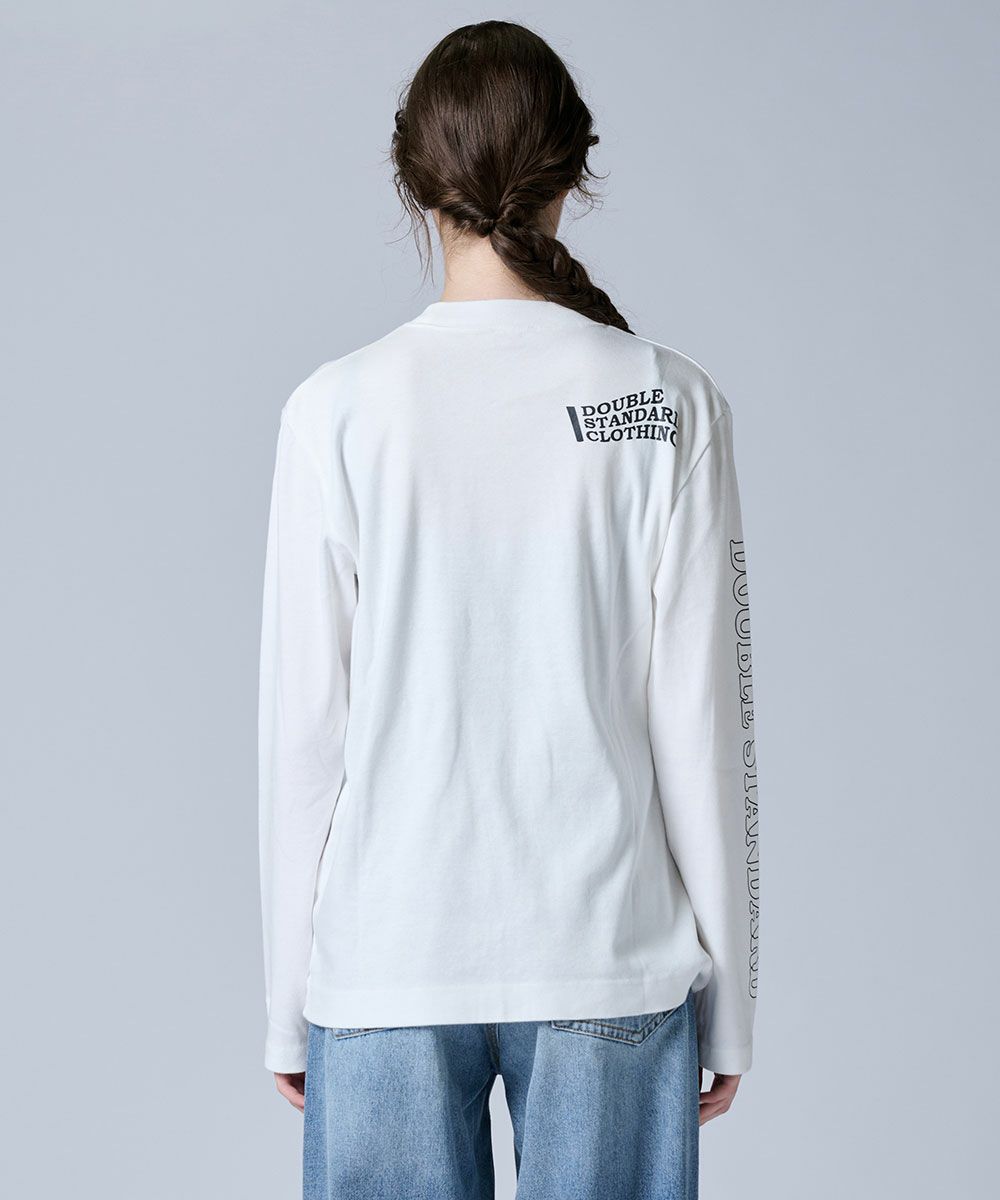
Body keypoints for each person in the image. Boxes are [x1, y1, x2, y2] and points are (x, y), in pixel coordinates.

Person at [258, 19, 761, 1200]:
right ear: (571, 173)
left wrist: (289, 1002)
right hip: (609, 955)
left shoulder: (335, 412)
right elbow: (702, 728)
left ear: (412, 179)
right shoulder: (666, 402)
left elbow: (302, 739)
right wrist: (730, 1004)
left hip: (386, 959)